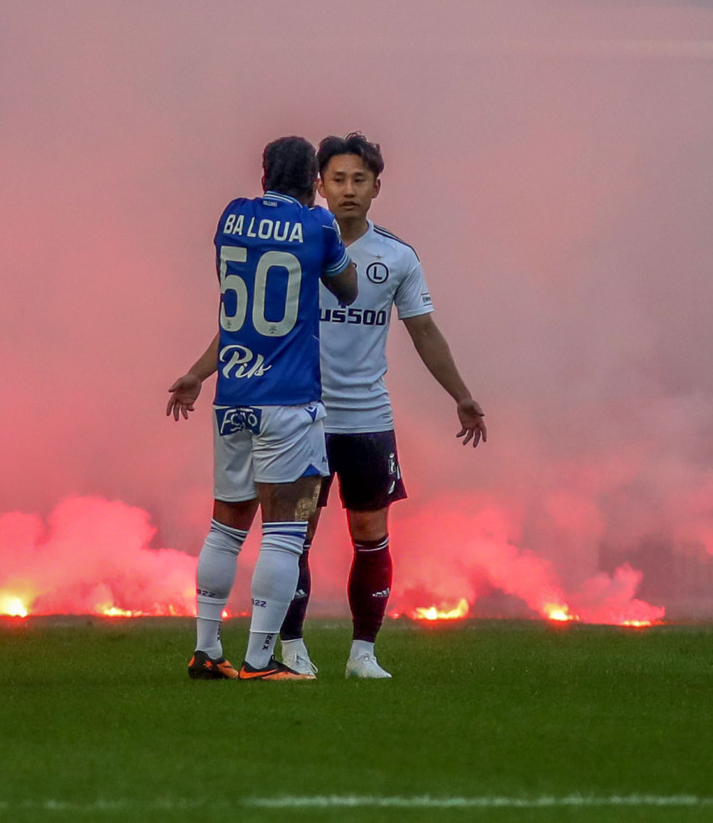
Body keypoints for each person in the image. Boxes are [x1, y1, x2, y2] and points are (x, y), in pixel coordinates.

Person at [169, 132, 486, 679]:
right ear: (318, 184)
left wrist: (461, 395)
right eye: (336, 179)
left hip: (364, 418)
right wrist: (199, 370)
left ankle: (362, 653)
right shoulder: (305, 238)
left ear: (376, 187)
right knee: (293, 537)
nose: (347, 190)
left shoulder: (396, 256)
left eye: (358, 180)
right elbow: (252, 325)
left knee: (367, 535)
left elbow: (425, 331)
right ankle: (288, 648)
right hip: (299, 413)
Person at [170, 136, 357, 681]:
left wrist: (196, 373)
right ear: (314, 181)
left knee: (224, 527)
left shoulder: (232, 218)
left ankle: (207, 650)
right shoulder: (318, 225)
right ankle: (258, 660)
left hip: (232, 397)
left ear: (263, 175)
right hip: (288, 399)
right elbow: (344, 288)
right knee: (284, 532)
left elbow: (237, 313)